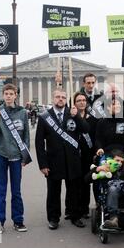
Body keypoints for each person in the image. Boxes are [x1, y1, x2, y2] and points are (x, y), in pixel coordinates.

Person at [35, 89, 90, 230]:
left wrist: (77, 116)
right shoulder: (44, 117)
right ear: (53, 98)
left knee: (74, 191)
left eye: (63, 97)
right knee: (53, 192)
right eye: (58, 97)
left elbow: (85, 129)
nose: (61, 99)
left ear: (67, 99)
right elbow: (39, 144)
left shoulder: (72, 113)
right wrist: (43, 164)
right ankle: (53, 218)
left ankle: (75, 216)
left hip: (72, 160)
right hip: (53, 161)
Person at [0, 84, 30, 234]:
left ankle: (18, 220)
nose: (8, 96)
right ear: (3, 95)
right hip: (0, 154)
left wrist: (25, 156)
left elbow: (25, 135)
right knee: (1, 190)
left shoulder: (22, 113)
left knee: (16, 191)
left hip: (16, 156)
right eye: (6, 93)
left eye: (11, 93)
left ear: (15, 95)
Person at [88, 149, 124, 229]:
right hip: (111, 192)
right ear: (111, 160)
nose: (119, 163)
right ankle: (113, 219)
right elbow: (87, 179)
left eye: (121, 161)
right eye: (117, 160)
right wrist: (97, 169)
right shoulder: (106, 169)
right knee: (113, 188)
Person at [73, 92, 98, 219]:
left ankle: (85, 209)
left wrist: (95, 153)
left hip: (88, 155)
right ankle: (75, 209)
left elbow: (94, 137)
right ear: (75, 103)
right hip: (75, 155)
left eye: (84, 100)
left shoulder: (92, 119)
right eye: (79, 100)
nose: (82, 102)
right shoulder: (71, 118)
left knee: (87, 182)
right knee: (76, 184)